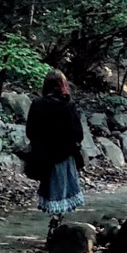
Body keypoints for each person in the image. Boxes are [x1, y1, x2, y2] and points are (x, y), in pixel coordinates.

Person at [24, 70, 89, 219]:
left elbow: (30, 131)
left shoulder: (37, 104)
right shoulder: (68, 106)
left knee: (50, 187)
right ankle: (58, 218)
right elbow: (78, 133)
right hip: (64, 155)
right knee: (63, 187)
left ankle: (54, 216)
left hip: (43, 155)